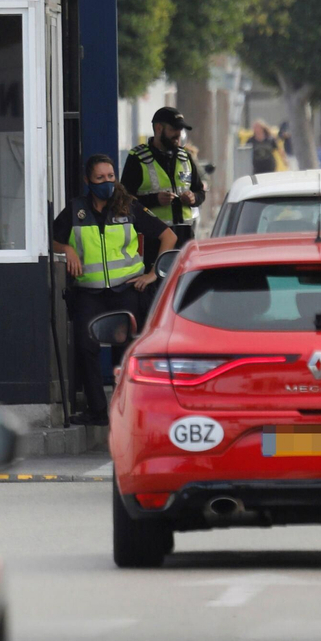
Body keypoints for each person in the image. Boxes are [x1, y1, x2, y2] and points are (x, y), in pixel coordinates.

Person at [53, 154, 178, 426]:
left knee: (127, 352)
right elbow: (52, 240)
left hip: (126, 290)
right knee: (86, 348)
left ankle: (128, 411)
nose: (107, 183)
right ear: (88, 181)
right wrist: (68, 249)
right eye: (100, 178)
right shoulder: (76, 210)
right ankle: (98, 411)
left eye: (111, 177)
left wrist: (152, 274)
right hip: (89, 292)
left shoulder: (128, 206)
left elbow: (168, 236)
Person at [122, 106, 206, 245]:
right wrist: (154, 200)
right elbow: (124, 199)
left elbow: (200, 192)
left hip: (184, 236)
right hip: (152, 237)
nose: (178, 134)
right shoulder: (137, 158)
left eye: (180, 130)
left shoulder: (185, 157)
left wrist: (193, 198)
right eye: (174, 129)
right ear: (159, 128)